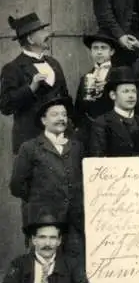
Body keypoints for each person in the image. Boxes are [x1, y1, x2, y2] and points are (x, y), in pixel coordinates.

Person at [10, 96, 85, 264]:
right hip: (44, 221)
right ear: (44, 120)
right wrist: (42, 200)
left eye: (64, 115)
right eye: (55, 114)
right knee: (44, 268)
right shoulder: (30, 148)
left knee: (73, 267)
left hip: (74, 222)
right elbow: (16, 186)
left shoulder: (77, 147)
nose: (61, 118)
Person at [0, 13, 69, 154]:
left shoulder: (54, 63)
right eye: (42, 31)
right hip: (31, 143)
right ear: (30, 39)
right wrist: (30, 89)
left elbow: (66, 97)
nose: (48, 34)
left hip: (58, 140)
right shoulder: (13, 68)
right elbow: (5, 106)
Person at [89, 66, 139, 158]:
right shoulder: (101, 123)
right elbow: (97, 159)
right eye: (125, 91)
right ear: (113, 95)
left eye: (133, 91)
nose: (131, 96)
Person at [74, 32, 119, 153]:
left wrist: (107, 89)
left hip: (113, 130)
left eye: (103, 48)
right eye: (95, 48)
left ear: (112, 52)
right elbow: (79, 107)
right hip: (90, 132)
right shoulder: (85, 77)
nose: (99, 52)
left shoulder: (119, 74)